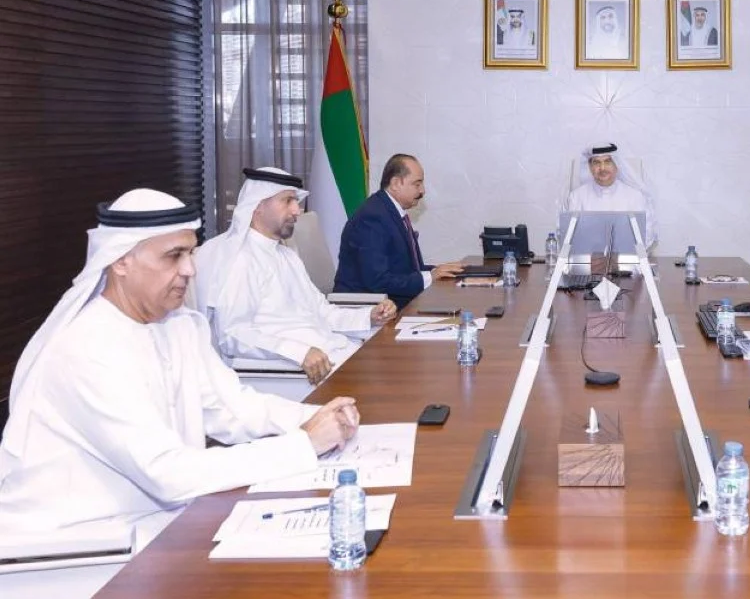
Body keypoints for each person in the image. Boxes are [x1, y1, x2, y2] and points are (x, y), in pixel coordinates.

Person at [0, 189, 360, 535]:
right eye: (173, 256)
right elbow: (167, 474)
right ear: (121, 261)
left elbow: (232, 408)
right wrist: (304, 444)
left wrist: (315, 417)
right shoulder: (86, 348)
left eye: (191, 253)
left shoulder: (178, 325)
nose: (190, 269)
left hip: (161, 522)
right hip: (80, 545)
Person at [194, 167, 396, 384]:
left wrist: (368, 316)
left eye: (296, 201)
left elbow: (321, 312)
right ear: (258, 206)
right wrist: (298, 353)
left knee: (395, 365)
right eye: (287, 201)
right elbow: (233, 335)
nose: (296, 211)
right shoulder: (240, 260)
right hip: (292, 373)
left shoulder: (286, 255)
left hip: (332, 352)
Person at [334, 154, 464, 308]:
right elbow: (378, 280)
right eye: (417, 184)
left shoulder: (390, 211)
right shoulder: (372, 218)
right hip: (366, 309)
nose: (422, 191)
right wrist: (430, 276)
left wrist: (439, 271)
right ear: (395, 183)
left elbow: (408, 269)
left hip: (393, 304)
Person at [564, 143, 657, 247]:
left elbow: (647, 235)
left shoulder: (635, 197)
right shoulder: (576, 197)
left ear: (616, 165)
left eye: (607, 162)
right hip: (587, 256)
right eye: (597, 163)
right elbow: (568, 238)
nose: (602, 168)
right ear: (590, 167)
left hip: (627, 256)